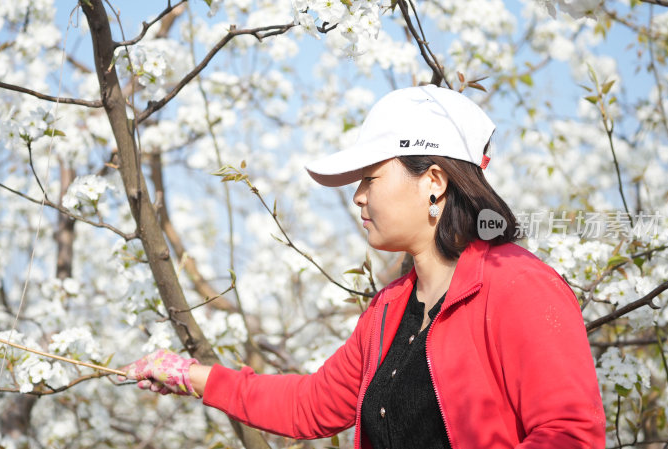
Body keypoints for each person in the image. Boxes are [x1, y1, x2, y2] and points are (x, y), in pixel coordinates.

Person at [120, 85, 606, 448]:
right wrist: (192, 376)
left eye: (370, 178)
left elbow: (569, 434)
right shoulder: (389, 310)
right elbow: (310, 405)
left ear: (433, 182)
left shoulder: (518, 286)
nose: (358, 197)